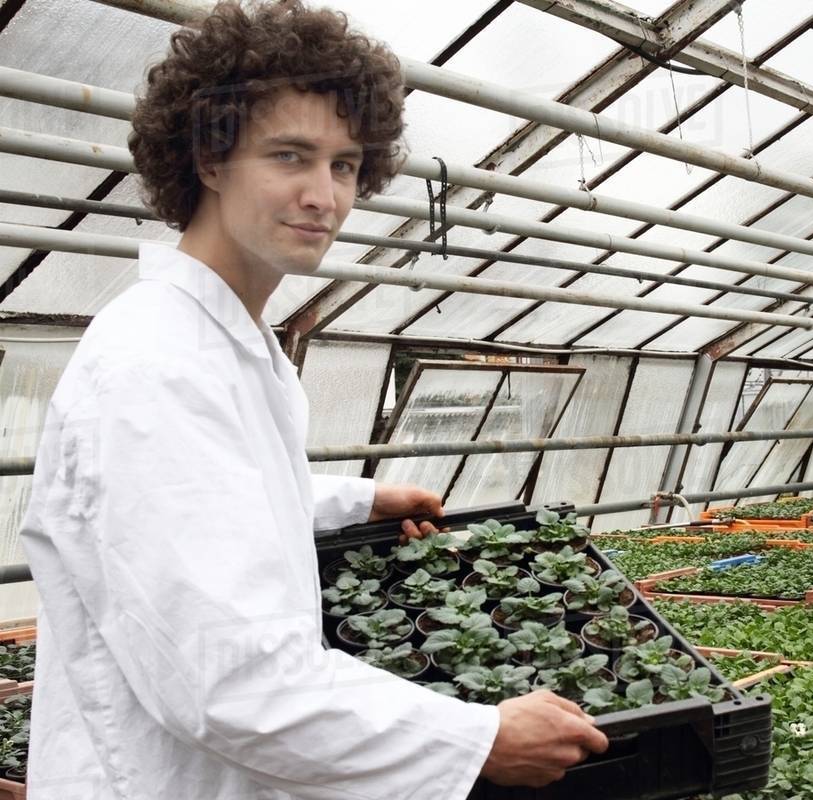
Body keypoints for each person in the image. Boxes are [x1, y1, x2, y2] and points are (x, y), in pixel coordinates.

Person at [18, 2, 606, 798]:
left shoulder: (232, 345)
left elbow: (217, 499)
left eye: (344, 165)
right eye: (290, 155)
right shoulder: (157, 369)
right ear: (209, 158)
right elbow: (230, 684)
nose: (323, 195)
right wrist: (478, 737)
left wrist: (358, 500)